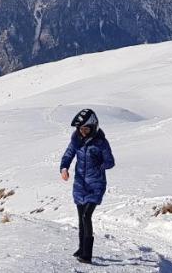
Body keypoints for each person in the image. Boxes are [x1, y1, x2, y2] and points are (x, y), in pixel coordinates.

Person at [59, 108, 115, 265]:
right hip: (79, 185)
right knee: (80, 218)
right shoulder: (76, 140)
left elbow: (110, 161)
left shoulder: (101, 142)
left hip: (95, 185)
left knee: (86, 216)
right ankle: (81, 248)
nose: (82, 132)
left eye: (86, 128)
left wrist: (101, 165)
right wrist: (64, 168)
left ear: (93, 127)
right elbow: (68, 155)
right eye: (80, 129)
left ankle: (87, 254)